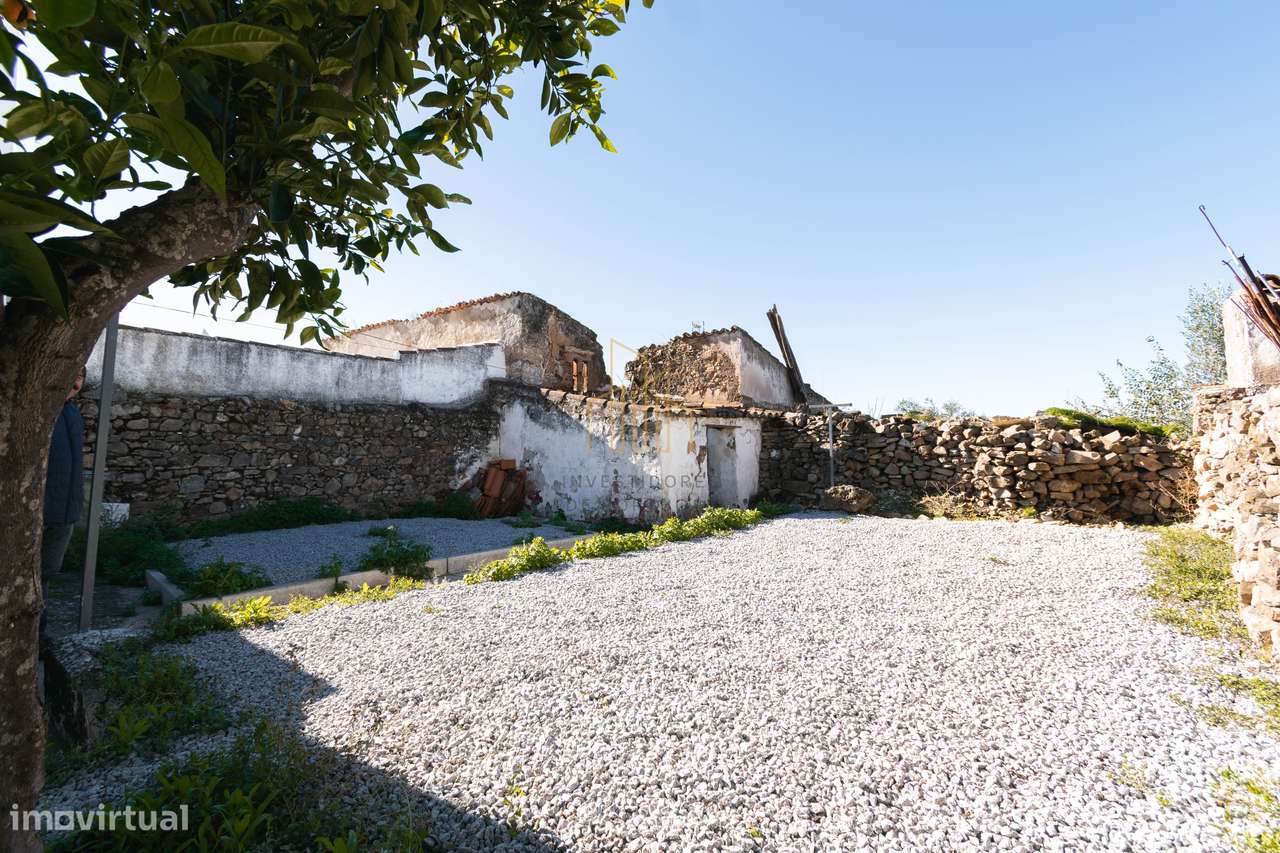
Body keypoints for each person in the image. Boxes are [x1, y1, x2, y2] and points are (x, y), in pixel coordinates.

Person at [42, 366, 86, 581]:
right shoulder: (38, 411)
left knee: (48, 573)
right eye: (71, 376)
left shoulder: (72, 413)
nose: (75, 383)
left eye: (79, 377)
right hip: (40, 510)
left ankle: (39, 614)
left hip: (65, 512)